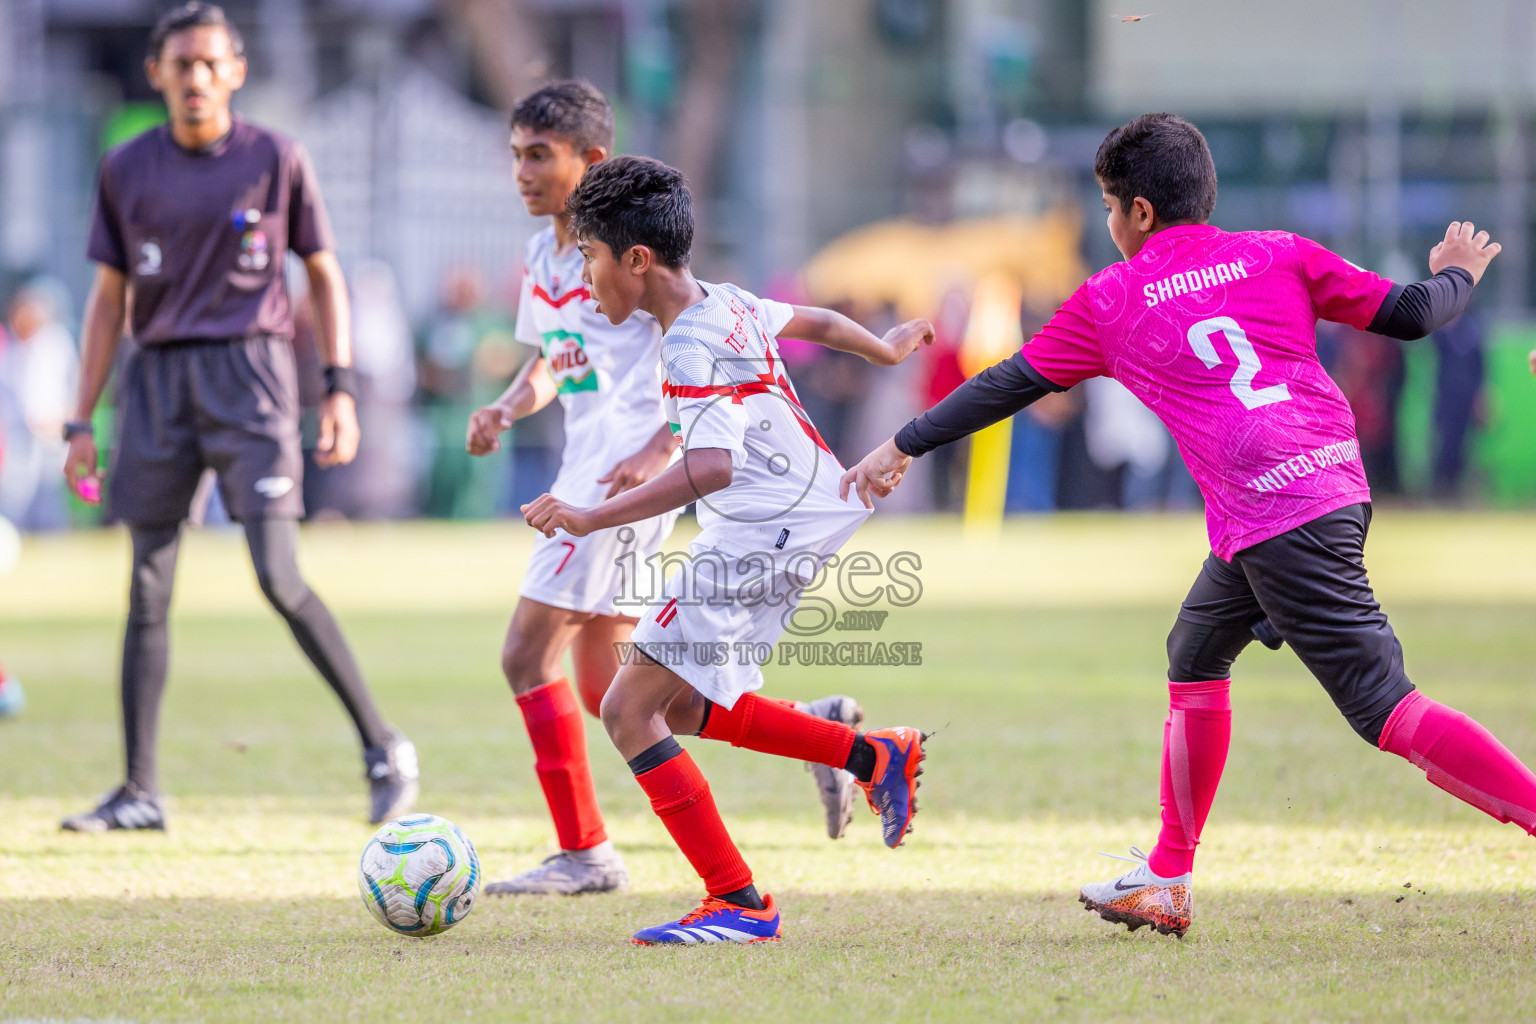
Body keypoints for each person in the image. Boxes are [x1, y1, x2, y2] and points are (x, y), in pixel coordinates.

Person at [842, 113, 1526, 939]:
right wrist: (1458, 273)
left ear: (1135, 212)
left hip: (1278, 514)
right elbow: (1415, 313)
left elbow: (1009, 384)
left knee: (1383, 704)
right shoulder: (1278, 250)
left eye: (1105, 206)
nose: (1107, 223)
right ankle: (1167, 878)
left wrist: (900, 443)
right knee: (1195, 650)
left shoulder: (1111, 298)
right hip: (1327, 486)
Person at [467, 83, 869, 896]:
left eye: (539, 154)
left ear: (592, 160)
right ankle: (830, 737)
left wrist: (659, 447)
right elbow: (556, 359)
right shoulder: (552, 259)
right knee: (611, 684)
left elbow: (681, 354)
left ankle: (587, 853)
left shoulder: (626, 248)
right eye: (515, 154)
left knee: (526, 657)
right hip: (598, 465)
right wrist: (509, 405)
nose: (522, 171)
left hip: (615, 477)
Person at [521, 155, 934, 945]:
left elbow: (711, 467)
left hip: (761, 532)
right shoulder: (725, 302)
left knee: (625, 709)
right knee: (674, 704)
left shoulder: (685, 346)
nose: (586, 276)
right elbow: (810, 321)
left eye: (591, 258)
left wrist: (588, 516)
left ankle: (738, 901)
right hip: (798, 516)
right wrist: (879, 349)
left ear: (635, 261)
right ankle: (872, 755)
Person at [60, 2, 418, 832]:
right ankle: (140, 791)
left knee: (278, 574)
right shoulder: (124, 168)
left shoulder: (276, 159)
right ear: (156, 74)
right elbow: (108, 300)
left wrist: (338, 386)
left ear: (237, 72)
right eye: (180, 64)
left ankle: (382, 746)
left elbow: (323, 276)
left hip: (250, 380)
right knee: (146, 586)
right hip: (156, 382)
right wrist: (82, 419)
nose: (195, 78)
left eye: (210, 64)